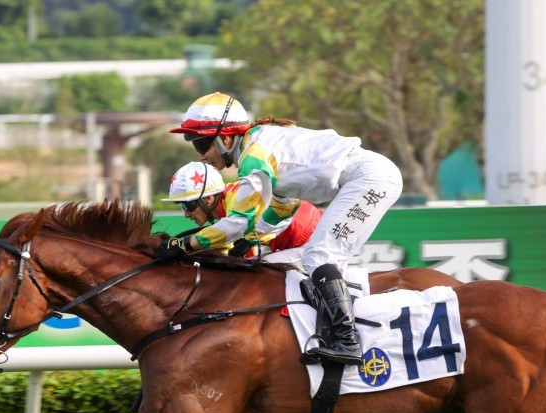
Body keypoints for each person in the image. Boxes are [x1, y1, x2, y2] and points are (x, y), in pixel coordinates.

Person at [166, 92, 403, 365]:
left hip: (369, 178)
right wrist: (252, 239)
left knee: (320, 256)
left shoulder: (253, 156)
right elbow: (282, 207)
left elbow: (238, 221)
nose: (202, 156)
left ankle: (348, 341)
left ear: (225, 138)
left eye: (202, 145)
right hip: (368, 177)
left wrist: (187, 245)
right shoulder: (260, 144)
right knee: (316, 257)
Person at [161, 160, 322, 258]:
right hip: (305, 238)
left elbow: (242, 257)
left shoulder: (235, 205)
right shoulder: (229, 201)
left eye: (188, 205)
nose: (186, 214)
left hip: (310, 240)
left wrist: (185, 246)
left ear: (208, 198)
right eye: (182, 206)